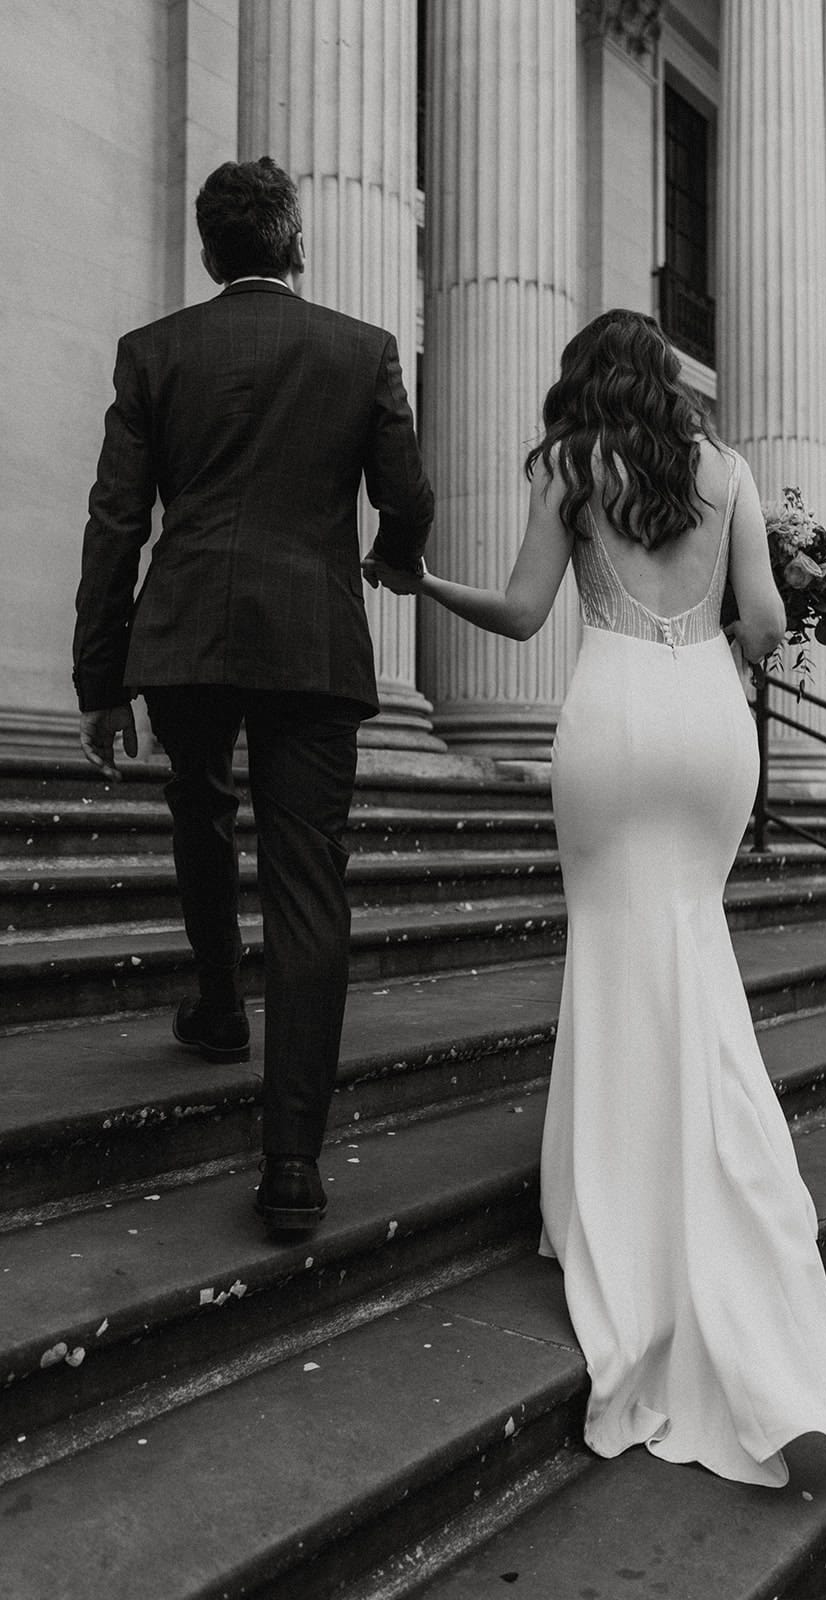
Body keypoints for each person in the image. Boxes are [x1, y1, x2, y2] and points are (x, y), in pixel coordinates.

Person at [365, 309, 826, 1485]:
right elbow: (758, 623)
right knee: (690, 949)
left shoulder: (564, 466)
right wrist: (730, 618)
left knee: (609, 954)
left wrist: (421, 580)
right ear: (669, 383)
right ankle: (725, 1187)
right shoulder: (731, 470)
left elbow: (520, 612)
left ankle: (606, 1202)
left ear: (585, 380)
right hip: (705, 720)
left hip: (608, 717)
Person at [73, 157, 432, 1237]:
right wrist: (388, 558)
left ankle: (222, 1005)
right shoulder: (362, 350)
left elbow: (115, 523)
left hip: (182, 633)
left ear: (212, 252)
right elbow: (406, 494)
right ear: (294, 243)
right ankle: (290, 1163)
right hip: (311, 639)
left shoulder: (154, 352)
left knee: (196, 802)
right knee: (308, 879)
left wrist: (101, 676)